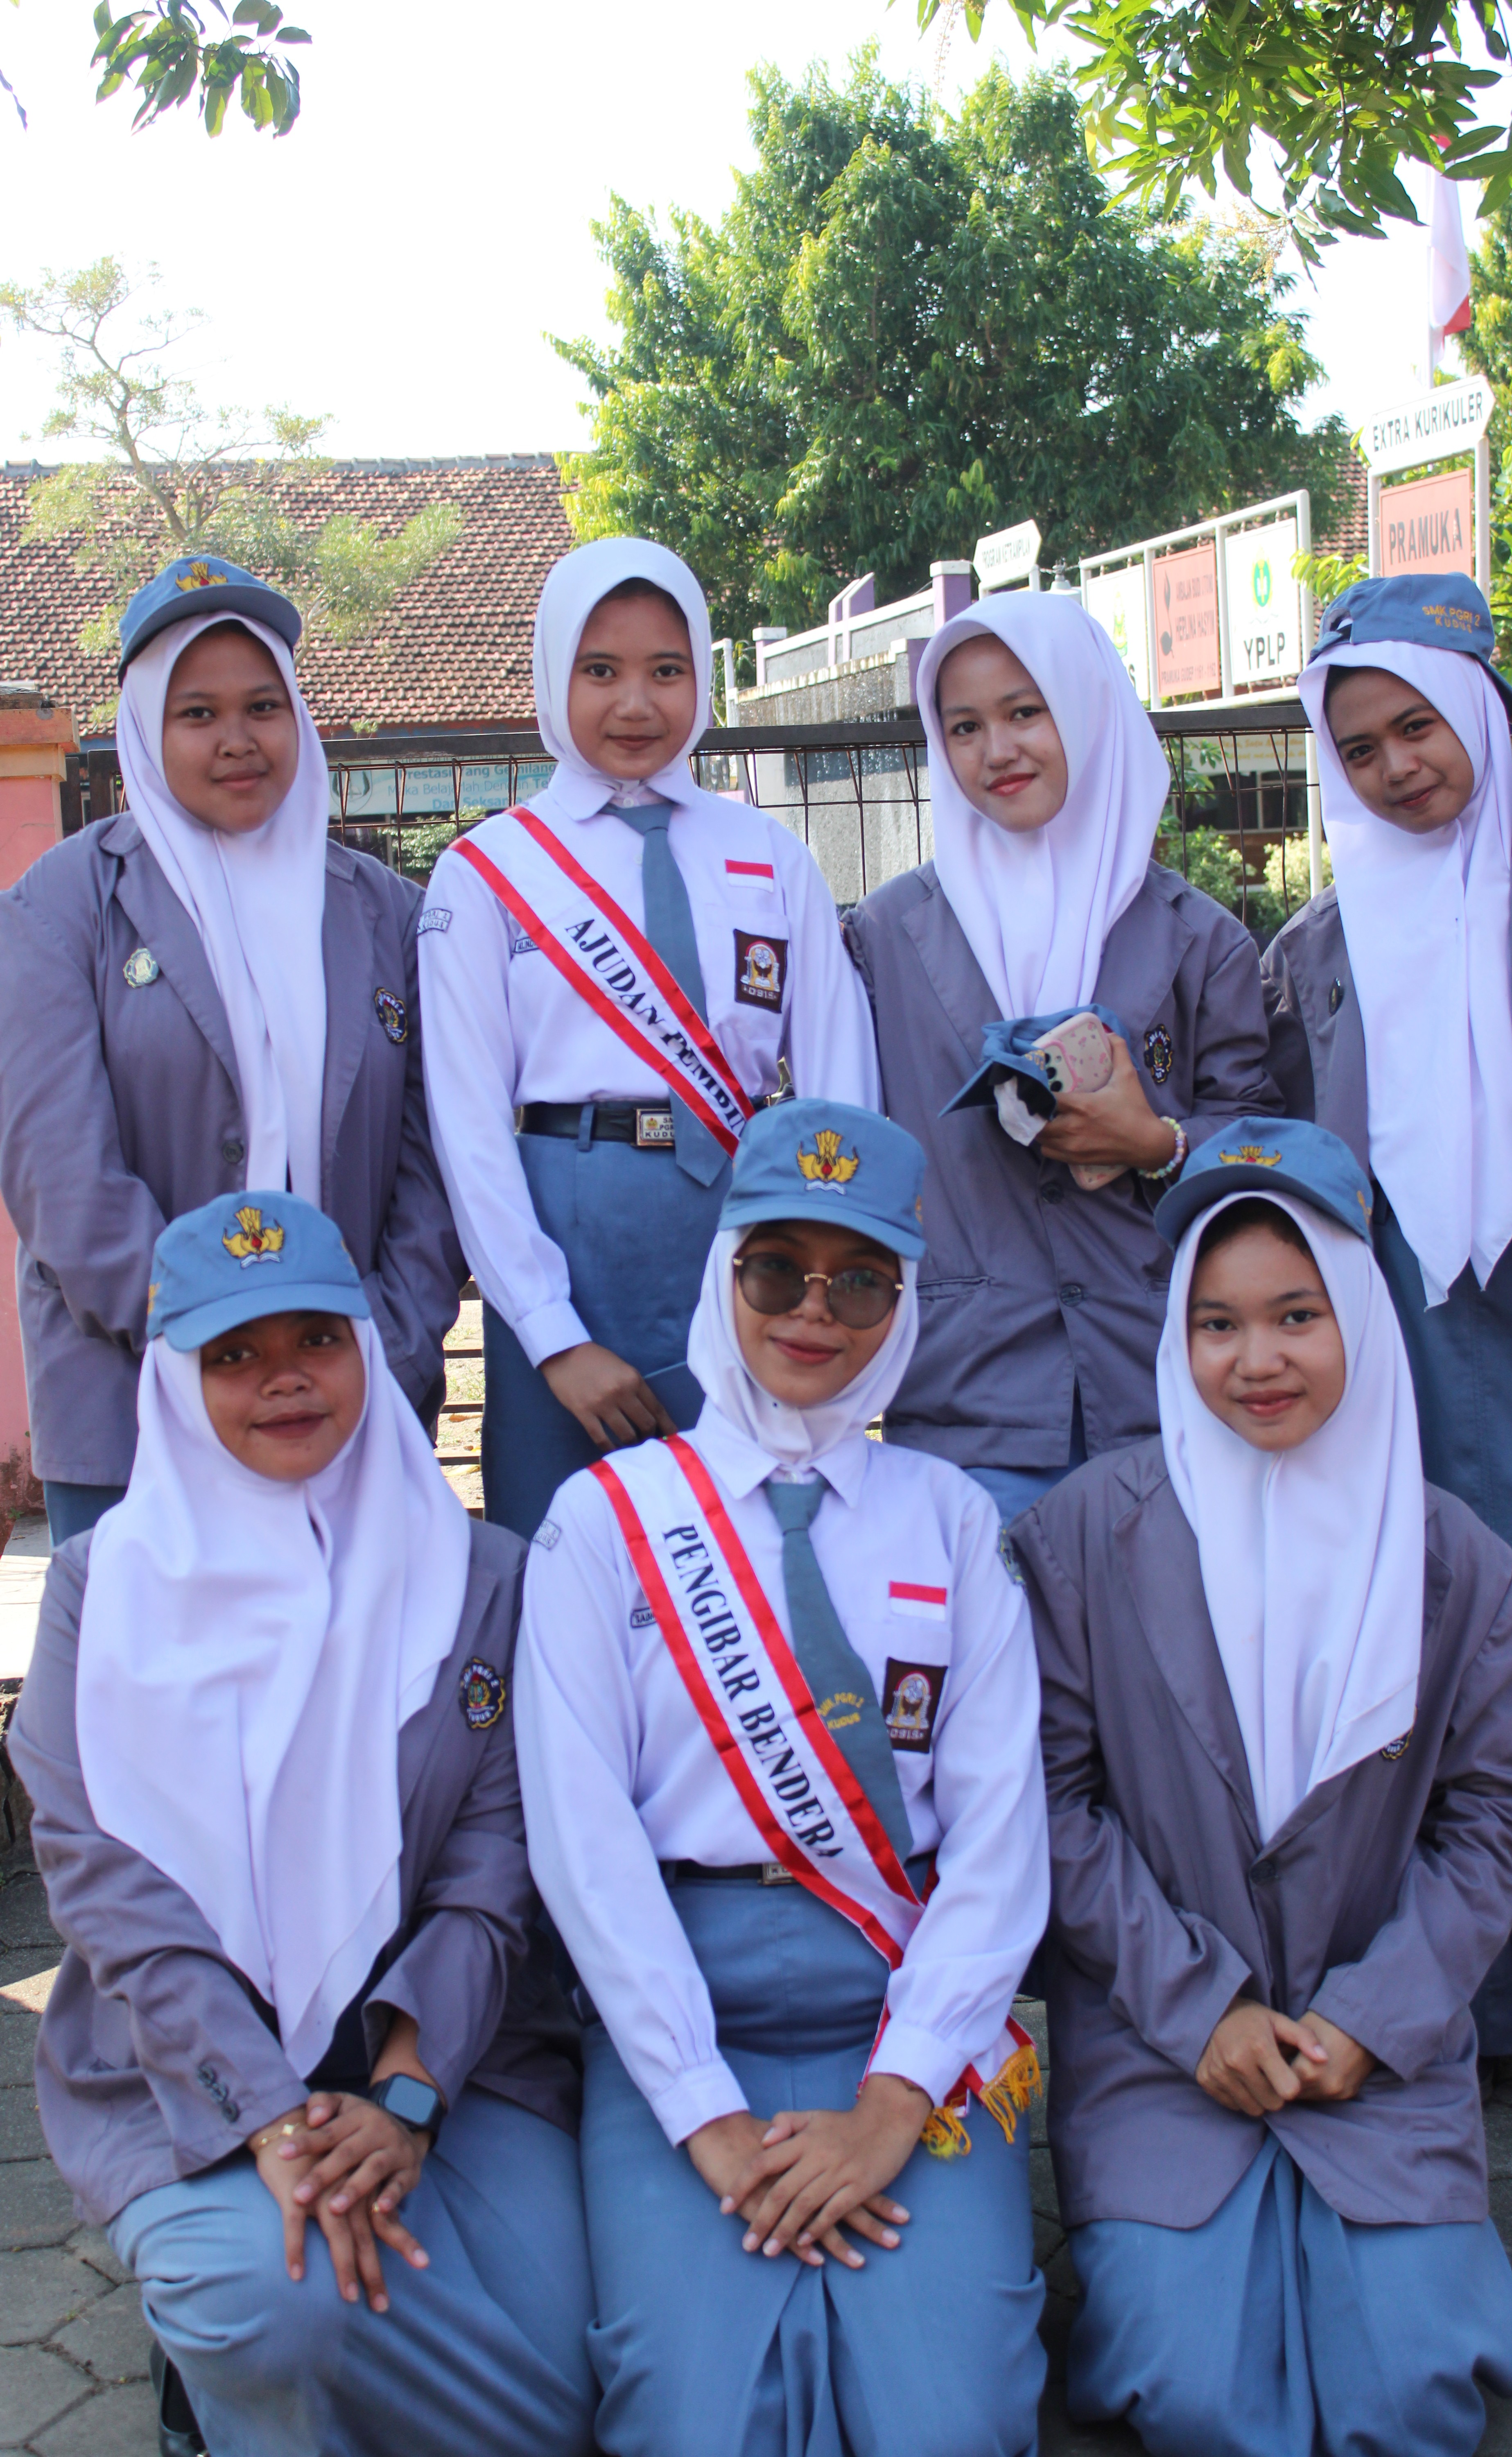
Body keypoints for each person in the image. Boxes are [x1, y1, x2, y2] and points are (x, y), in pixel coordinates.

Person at [9, 1192, 595, 2457]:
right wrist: (270, 2115)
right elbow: (108, 1888)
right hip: (184, 2069)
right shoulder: (102, 1594)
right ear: (177, 1384)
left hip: (450, 2061)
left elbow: (492, 1875)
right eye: (234, 1354)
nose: (285, 1379)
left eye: (316, 1340)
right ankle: (248, 2378)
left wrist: (406, 2097)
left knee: (571, 2383)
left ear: (367, 1350)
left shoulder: (486, 1576)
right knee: (279, 2313)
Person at [515, 1098, 1049, 2457]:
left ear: (901, 1306)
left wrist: (894, 2105)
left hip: (902, 1997)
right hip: (678, 2006)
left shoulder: (955, 1519)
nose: (815, 1311)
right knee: (694, 2420)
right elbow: (583, 1845)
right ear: (724, 1274)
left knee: (953, 2423)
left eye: (860, 1280)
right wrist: (704, 2117)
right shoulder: (607, 1520)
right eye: (775, 1271)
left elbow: (1000, 1843)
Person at [1012, 1120, 1512, 2457]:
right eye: (1218, 1324)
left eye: (1298, 1315)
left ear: (1361, 1311)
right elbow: (1052, 1808)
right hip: (1162, 2045)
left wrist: (1375, 2015)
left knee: (1412, 2395)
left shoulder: (1462, 1565)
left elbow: (1489, 1823)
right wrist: (1200, 2008)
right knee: (1195, 2394)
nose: (1257, 1361)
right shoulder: (1084, 1536)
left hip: (1377, 2049)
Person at [1262, 573, 1512, 2091]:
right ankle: (1494, 2013)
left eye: (1420, 725)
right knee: (1424, 1684)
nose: (1397, 767)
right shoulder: (1321, 947)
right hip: (1385, 1324)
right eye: (1359, 748)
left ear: (1481, 711)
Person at [416, 537, 878, 1540]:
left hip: (749, 1246)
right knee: (561, 1556)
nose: (635, 705)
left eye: (666, 671)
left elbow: (840, 1084)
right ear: (553, 675)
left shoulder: (769, 855)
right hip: (560, 1240)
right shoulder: (488, 871)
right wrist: (550, 1334)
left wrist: (824, 1275)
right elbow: (466, 1126)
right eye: (599, 671)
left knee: (752, 1550)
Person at [0, 555, 463, 1550]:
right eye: (197, 714)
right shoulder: (62, 908)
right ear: (144, 727)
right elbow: (62, 1179)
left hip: (351, 1404)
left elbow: (433, 1167)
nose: (237, 739)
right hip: (133, 1407)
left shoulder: (389, 915)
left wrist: (375, 1349)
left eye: (262, 706)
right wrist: (219, 1346)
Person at [845, 589, 1280, 1522]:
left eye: (1025, 712)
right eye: (963, 726)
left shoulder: (1201, 939)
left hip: (1162, 1387)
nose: (996, 751)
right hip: (969, 1398)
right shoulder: (884, 937)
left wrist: (1160, 1143)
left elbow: (1267, 1148)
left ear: (1087, 709)